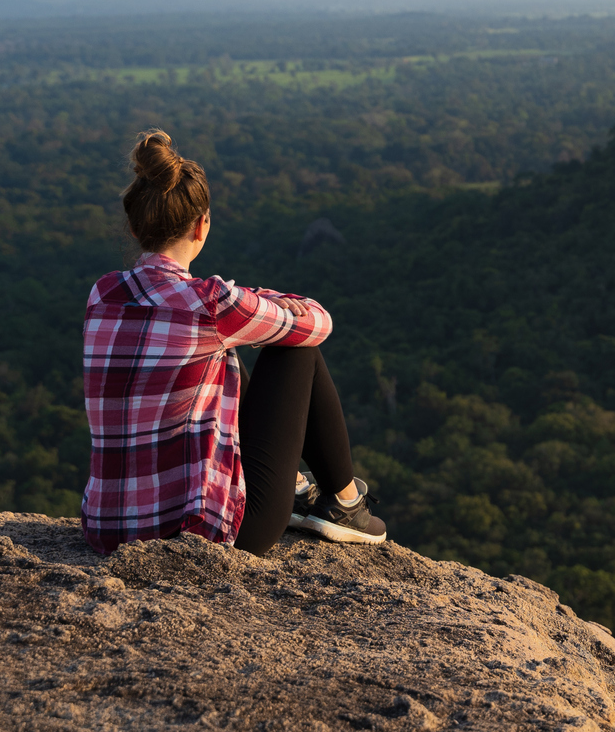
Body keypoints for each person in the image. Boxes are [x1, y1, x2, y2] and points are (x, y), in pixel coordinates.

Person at [80, 130, 386, 554]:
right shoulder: (211, 303)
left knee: (212, 366)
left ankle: (301, 488)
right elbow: (319, 324)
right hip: (205, 535)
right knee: (297, 354)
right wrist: (265, 302)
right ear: (202, 224)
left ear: (133, 227)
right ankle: (345, 502)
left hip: (106, 530)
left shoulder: (104, 294)